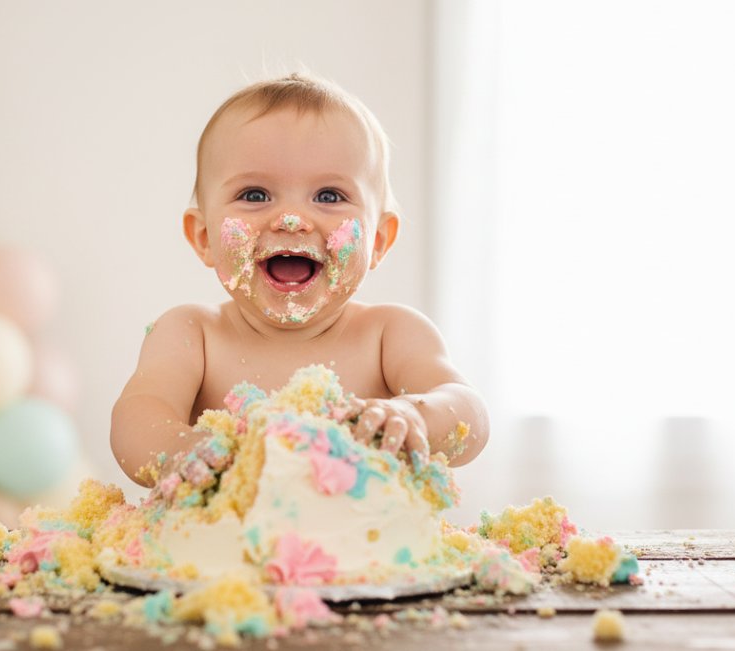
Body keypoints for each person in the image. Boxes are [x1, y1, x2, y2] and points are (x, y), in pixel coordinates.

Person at [110, 73, 488, 487]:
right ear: (203, 237)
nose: (292, 220)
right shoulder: (191, 334)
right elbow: (137, 417)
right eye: (255, 195)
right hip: (220, 545)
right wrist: (178, 450)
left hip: (372, 547)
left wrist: (415, 415)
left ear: (378, 240)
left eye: (329, 196)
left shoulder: (390, 334)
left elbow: (468, 413)